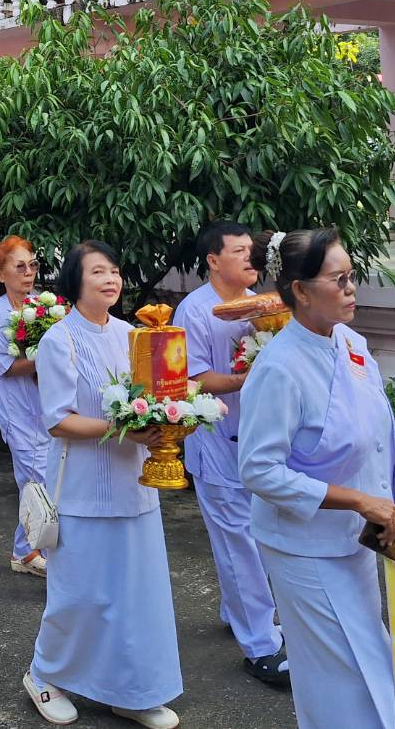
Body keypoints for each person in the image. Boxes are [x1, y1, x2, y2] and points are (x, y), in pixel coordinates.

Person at [237, 229, 395, 729]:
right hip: (304, 547)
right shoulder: (278, 368)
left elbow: (378, 422)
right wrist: (358, 500)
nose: (351, 289)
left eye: (352, 277)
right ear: (300, 290)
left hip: (356, 540)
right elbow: (258, 470)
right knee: (338, 671)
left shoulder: (351, 343)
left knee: (367, 651)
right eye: (338, 279)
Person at [23, 241, 182, 728]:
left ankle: (130, 690)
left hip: (135, 482)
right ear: (75, 282)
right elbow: (58, 421)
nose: (110, 279)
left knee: (137, 594)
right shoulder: (59, 340)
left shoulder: (133, 335)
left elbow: (155, 394)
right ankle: (43, 674)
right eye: (98, 272)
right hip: (84, 488)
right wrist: (126, 430)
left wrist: (171, 418)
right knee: (80, 594)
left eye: (114, 270)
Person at [172, 221, 287, 687]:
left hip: (265, 438)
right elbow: (194, 378)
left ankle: (236, 608)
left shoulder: (268, 303)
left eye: (251, 251)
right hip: (220, 440)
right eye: (237, 251)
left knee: (255, 537)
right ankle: (260, 645)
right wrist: (257, 374)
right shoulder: (195, 311)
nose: (248, 258)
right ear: (213, 261)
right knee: (239, 542)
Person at [0, 237, 51, 577]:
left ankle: (25, 550)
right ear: (0, 273)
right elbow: (8, 366)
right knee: (35, 480)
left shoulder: (42, 305)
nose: (28, 273)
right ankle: (28, 551)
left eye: (33, 265)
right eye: (19, 266)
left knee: (42, 480)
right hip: (19, 410)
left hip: (48, 405)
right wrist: (47, 356)